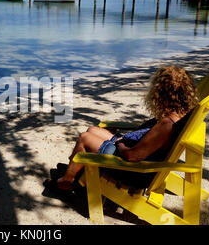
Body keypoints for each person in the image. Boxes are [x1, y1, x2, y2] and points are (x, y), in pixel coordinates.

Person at [54, 66, 199, 191]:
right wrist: (120, 140)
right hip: (137, 156)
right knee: (92, 130)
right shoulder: (179, 116)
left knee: (84, 138)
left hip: (134, 171)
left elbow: (132, 156)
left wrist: (119, 143)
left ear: (160, 94)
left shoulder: (167, 124)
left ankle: (67, 181)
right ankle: (76, 167)